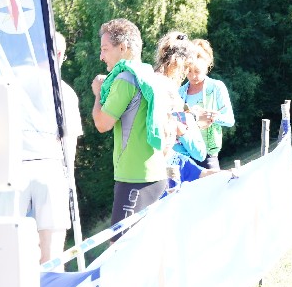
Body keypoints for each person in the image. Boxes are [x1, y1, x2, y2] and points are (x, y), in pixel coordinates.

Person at [0, 31, 82, 264]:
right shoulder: (64, 90)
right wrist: (69, 179)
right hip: (50, 167)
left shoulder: (9, 81)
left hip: (11, 168)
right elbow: (69, 141)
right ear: (59, 54)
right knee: (52, 255)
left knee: (3, 250)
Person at [92, 18, 169, 226]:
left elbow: (102, 124)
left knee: (119, 242)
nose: (101, 56)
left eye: (105, 49)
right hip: (154, 171)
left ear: (123, 47)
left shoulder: (125, 79)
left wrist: (98, 94)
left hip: (135, 177)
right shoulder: (148, 75)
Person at [153, 32, 208, 184]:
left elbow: (200, 153)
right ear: (178, 63)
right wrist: (182, 127)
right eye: (187, 69)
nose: (186, 75)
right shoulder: (166, 88)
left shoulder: (151, 82)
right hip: (165, 169)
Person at [180, 39, 235, 170]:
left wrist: (214, 117)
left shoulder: (216, 87)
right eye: (189, 71)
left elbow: (230, 120)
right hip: (184, 154)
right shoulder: (180, 92)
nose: (193, 76)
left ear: (207, 66)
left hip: (209, 155)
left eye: (197, 71)